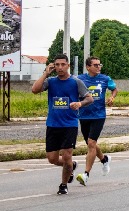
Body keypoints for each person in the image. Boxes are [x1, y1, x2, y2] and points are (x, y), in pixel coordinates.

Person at [31, 54, 93, 195]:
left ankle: (63, 185)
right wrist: (45, 73)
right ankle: (71, 166)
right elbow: (35, 90)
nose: (59, 67)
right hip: (53, 124)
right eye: (57, 65)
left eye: (62, 64)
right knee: (52, 159)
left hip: (69, 125)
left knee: (66, 156)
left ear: (68, 65)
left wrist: (79, 103)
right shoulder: (51, 81)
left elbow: (89, 98)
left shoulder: (75, 82)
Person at [75, 56, 118, 186]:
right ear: (88, 67)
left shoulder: (105, 79)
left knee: (91, 143)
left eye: (100, 65)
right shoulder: (79, 79)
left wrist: (112, 97)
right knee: (90, 144)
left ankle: (86, 174)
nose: (98, 67)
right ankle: (104, 159)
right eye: (95, 65)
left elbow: (114, 89)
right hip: (83, 115)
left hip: (99, 115)